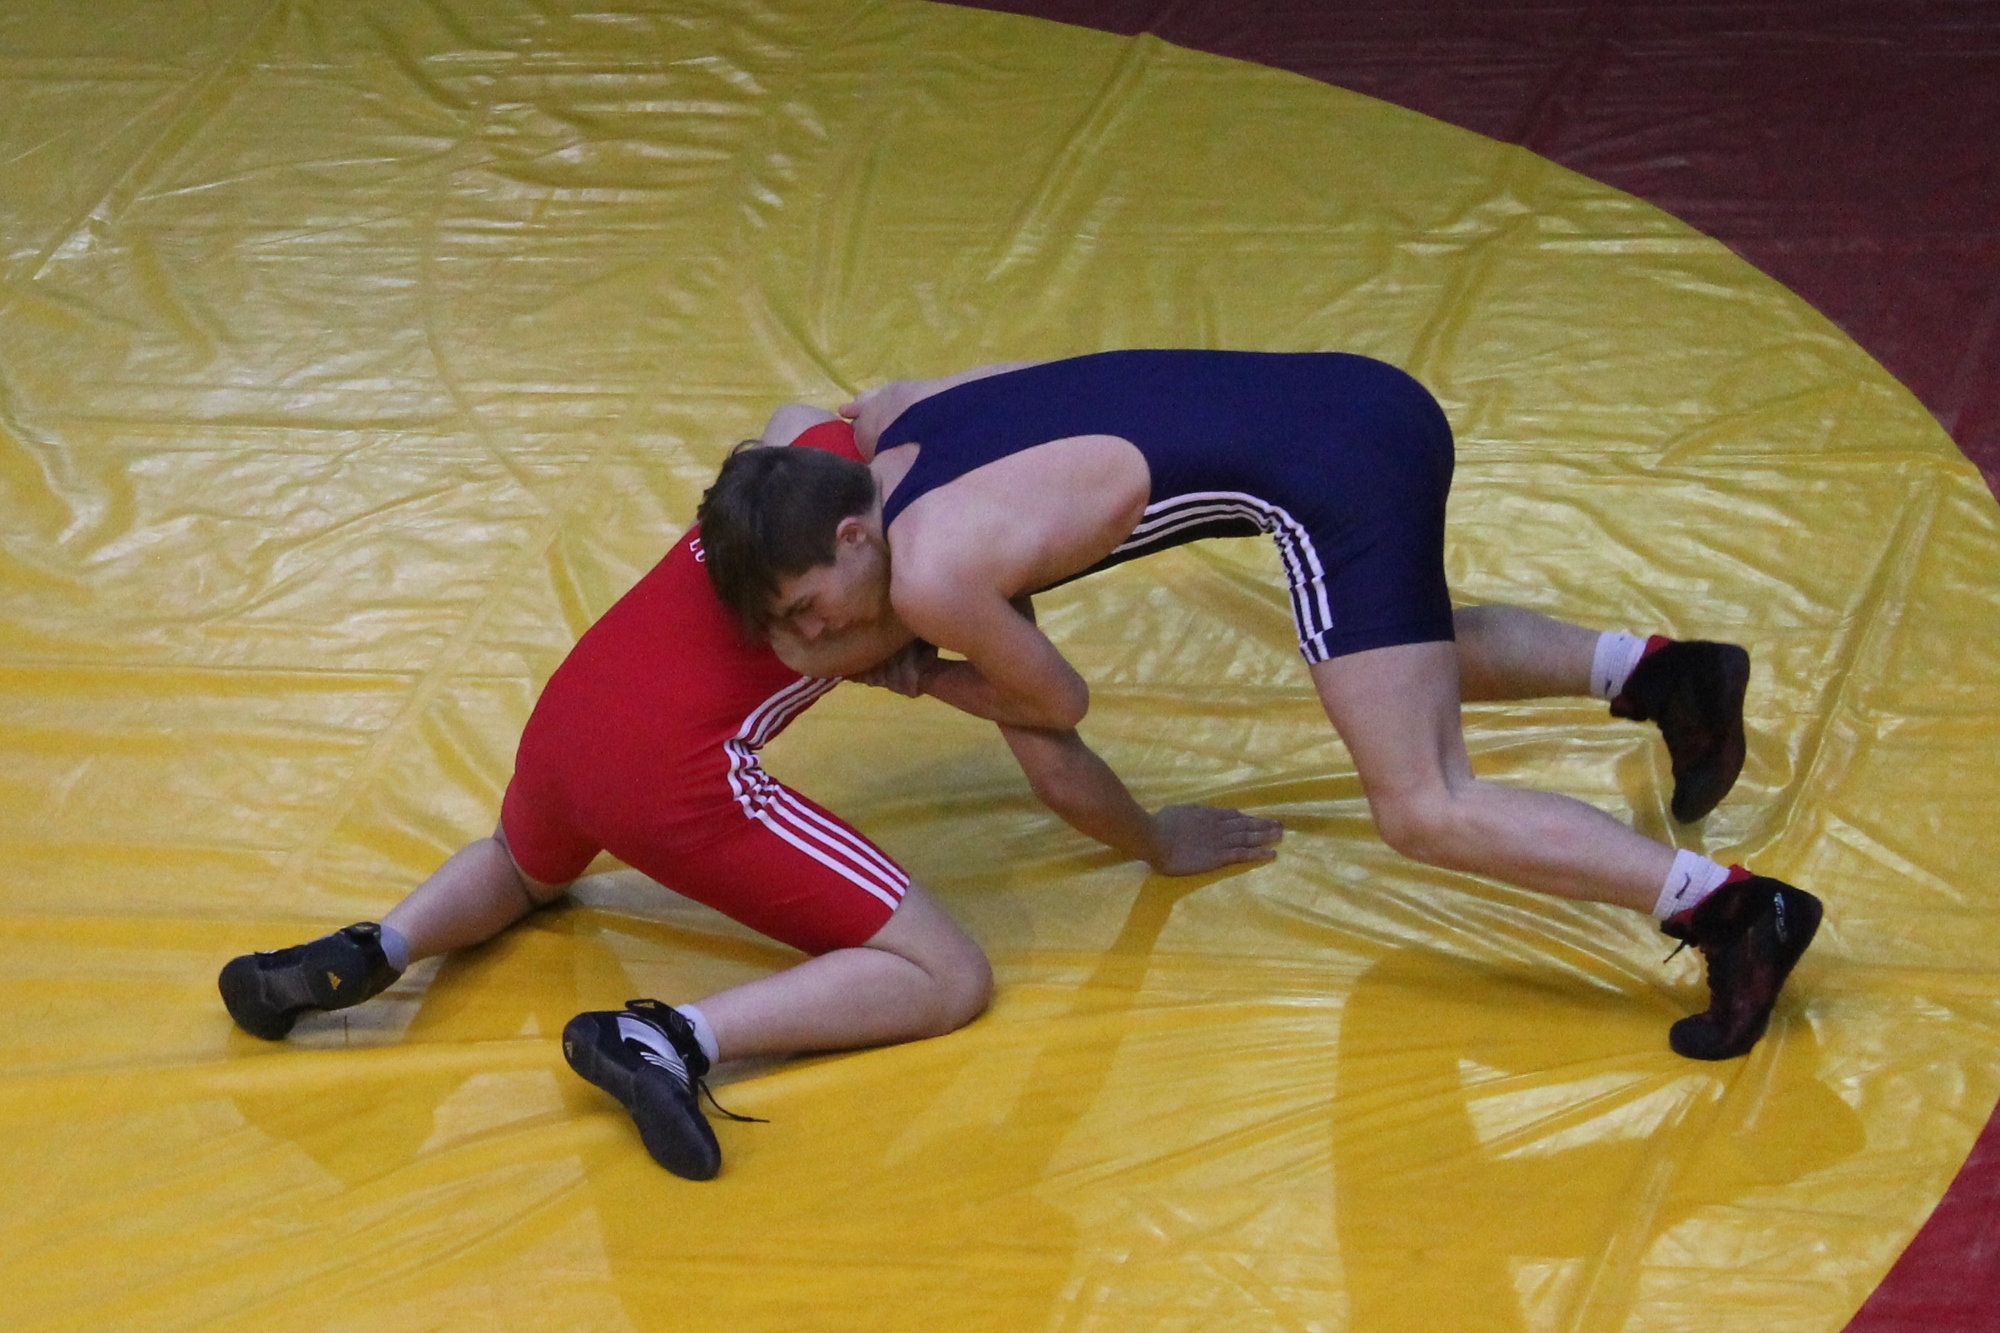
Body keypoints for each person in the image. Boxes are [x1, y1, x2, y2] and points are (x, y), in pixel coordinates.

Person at [217, 405, 1281, 1181]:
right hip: (672, 776)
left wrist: (910, 666)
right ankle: (669, 1040)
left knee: (519, 865)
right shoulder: (936, 578)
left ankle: (378, 946)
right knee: (949, 976)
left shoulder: (810, 461)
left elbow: (808, 409)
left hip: (569, 720)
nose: (808, 630)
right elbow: (1054, 745)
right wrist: (1154, 839)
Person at [694, 350, 1824, 1064]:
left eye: (810, 613)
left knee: (1421, 805)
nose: (815, 643)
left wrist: (923, 673)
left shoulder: (932, 576)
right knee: (1389, 650)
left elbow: (1055, 703)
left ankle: (1730, 911)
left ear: (855, 535)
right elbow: (809, 413)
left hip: (1332, 476)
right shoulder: (896, 422)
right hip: (1355, 393)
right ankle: (1663, 677)